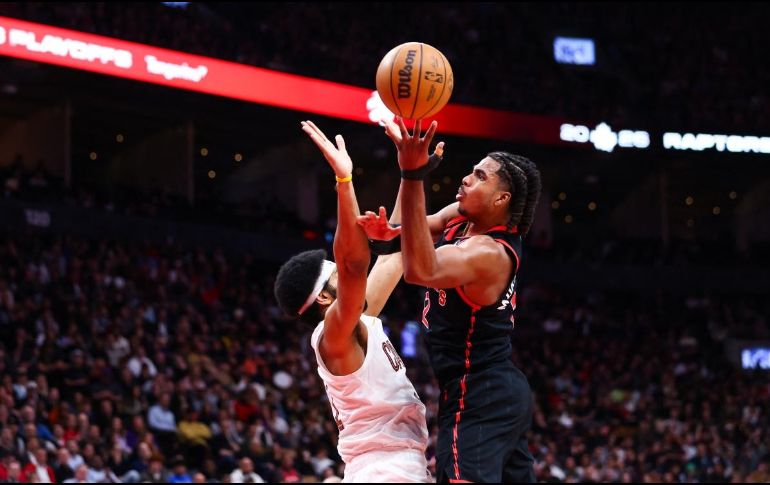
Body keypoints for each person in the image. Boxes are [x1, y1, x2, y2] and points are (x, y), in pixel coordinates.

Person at [377, 116, 542, 482]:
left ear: (502, 198)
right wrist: (407, 183)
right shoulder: (462, 218)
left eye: (481, 177)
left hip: (480, 390)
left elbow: (420, 269)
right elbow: (410, 226)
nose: (467, 178)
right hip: (491, 389)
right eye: (472, 170)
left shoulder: (489, 253)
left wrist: (413, 175)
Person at [273, 120, 433, 482]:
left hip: (390, 464)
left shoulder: (358, 322)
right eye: (337, 278)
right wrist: (344, 182)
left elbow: (392, 254)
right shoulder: (334, 335)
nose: (346, 279)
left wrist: (412, 173)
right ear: (326, 298)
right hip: (384, 471)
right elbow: (352, 263)